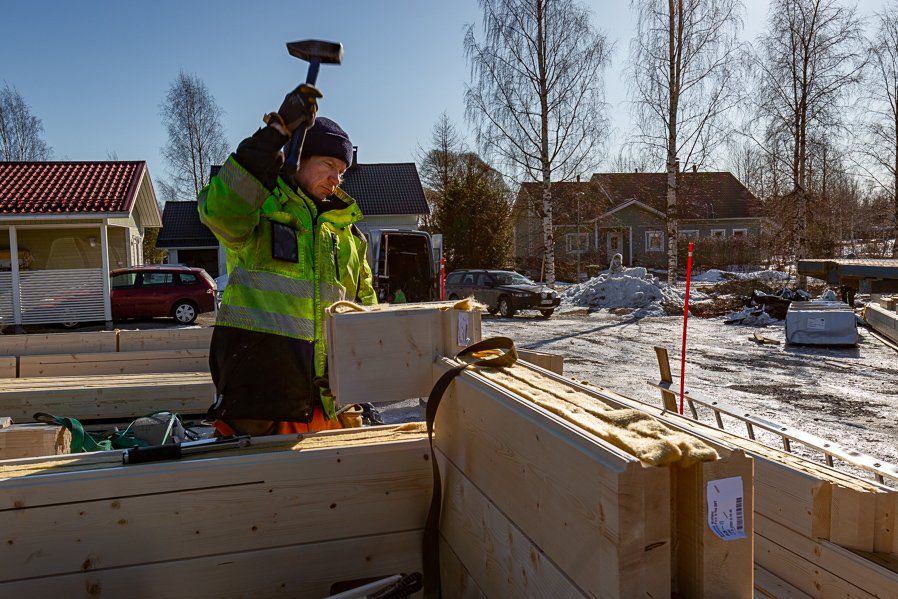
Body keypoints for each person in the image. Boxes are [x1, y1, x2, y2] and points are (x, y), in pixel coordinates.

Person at [198, 83, 377, 436]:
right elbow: (219, 211)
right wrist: (273, 135)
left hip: (331, 406)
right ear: (300, 158)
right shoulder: (262, 210)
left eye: (342, 170)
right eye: (328, 164)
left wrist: (367, 379)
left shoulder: (349, 236)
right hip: (260, 406)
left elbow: (365, 309)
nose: (336, 178)